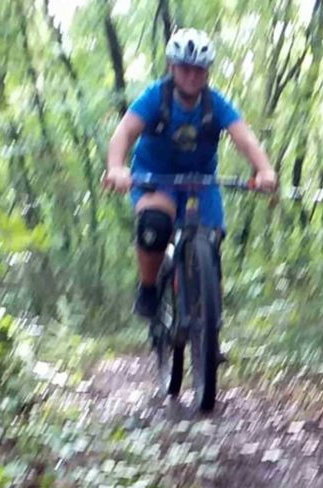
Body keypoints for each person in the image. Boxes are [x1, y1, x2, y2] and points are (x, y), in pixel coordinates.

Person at [101, 27, 276, 319]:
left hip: (200, 182)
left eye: (199, 69)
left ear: (207, 72)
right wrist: (116, 167)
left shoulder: (215, 103)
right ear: (172, 67)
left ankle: (206, 323)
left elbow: (245, 138)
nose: (192, 76)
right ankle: (148, 288)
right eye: (185, 68)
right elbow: (125, 132)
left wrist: (265, 170)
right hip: (156, 177)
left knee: (211, 245)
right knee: (155, 225)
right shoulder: (155, 97)